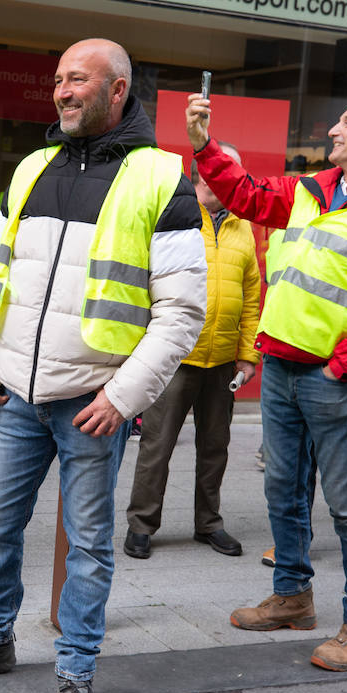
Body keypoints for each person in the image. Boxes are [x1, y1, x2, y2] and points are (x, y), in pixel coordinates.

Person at [0, 38, 205, 693]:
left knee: (88, 546)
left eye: (77, 79)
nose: (61, 91)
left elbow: (181, 312)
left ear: (118, 90)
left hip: (93, 405)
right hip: (16, 393)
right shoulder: (33, 167)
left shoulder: (160, 177)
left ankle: (76, 671)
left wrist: (124, 397)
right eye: (57, 80)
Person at [188, 94, 347, 672]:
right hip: (280, 368)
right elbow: (244, 194)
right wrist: (203, 146)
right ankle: (293, 596)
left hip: (336, 379)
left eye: (345, 122)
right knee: (284, 489)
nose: (332, 129)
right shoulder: (311, 188)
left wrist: (342, 365)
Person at [123, 143, 259, 559]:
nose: (224, 180)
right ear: (201, 175)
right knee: (156, 445)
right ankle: (142, 525)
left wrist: (247, 354)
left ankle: (209, 523)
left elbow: (251, 294)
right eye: (219, 172)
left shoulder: (243, 227)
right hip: (174, 357)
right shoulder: (178, 218)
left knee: (215, 447)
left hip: (221, 361)